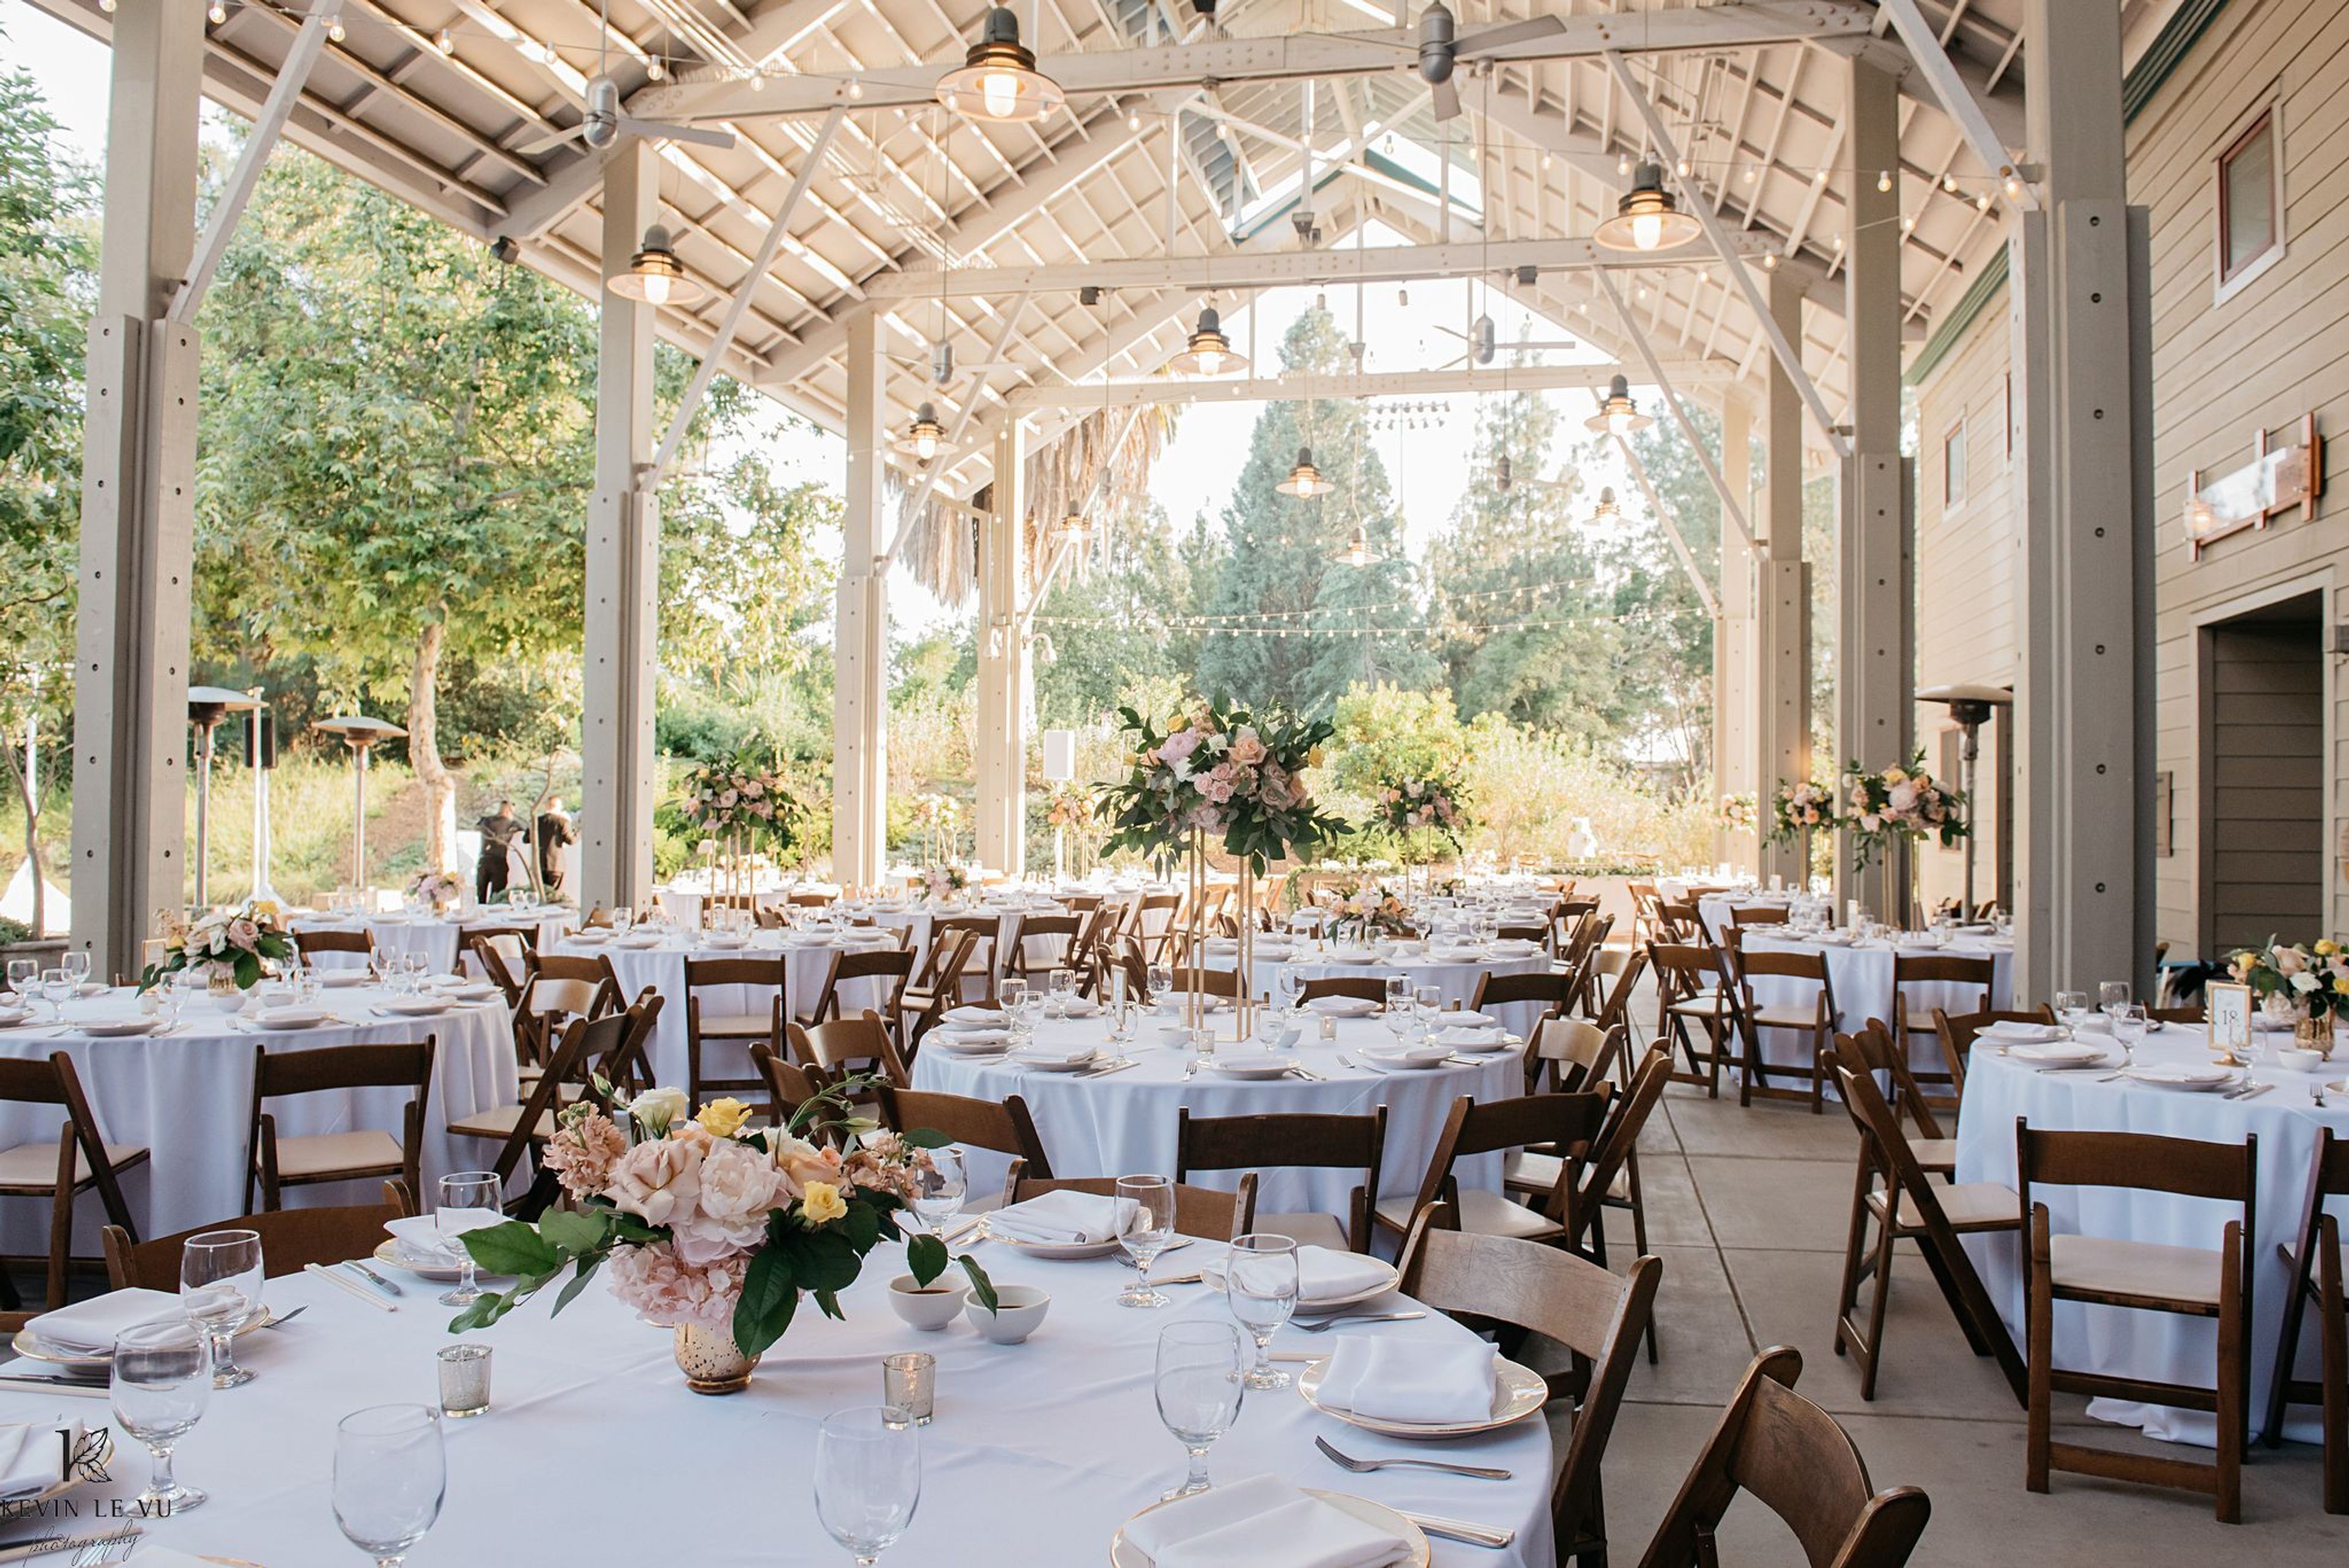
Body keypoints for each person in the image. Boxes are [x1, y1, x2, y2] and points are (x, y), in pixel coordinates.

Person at [475, 799, 523, 904]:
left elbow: (477, 827)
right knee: (497, 896)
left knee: (481, 894)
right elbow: (524, 831)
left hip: (483, 859)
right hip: (499, 860)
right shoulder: (512, 824)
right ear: (509, 811)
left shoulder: (486, 820)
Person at [536, 803, 576, 897]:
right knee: (554, 896)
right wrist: (579, 833)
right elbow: (571, 841)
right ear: (557, 807)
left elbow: (526, 839)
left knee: (542, 895)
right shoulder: (562, 821)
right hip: (556, 864)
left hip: (539, 864)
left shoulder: (537, 821)